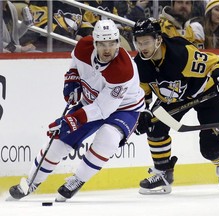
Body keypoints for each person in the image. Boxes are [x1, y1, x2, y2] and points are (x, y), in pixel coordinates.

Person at [9, 19, 145, 201]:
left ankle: (78, 179)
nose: (107, 49)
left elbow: (103, 109)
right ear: (94, 42)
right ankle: (32, 181)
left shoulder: (123, 69)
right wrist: (72, 80)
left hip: (124, 108)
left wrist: (72, 120)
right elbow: (75, 63)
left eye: (112, 43)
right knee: (58, 142)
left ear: (118, 43)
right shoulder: (83, 47)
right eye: (102, 44)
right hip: (92, 102)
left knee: (108, 138)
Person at [132, 18, 219, 194]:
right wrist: (142, 113)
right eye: (138, 42)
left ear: (158, 39)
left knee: (210, 149)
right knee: (155, 126)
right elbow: (143, 94)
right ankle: (164, 172)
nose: (142, 47)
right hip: (175, 98)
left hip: (207, 93)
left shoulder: (181, 54)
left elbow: (215, 63)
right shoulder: (140, 64)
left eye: (146, 42)